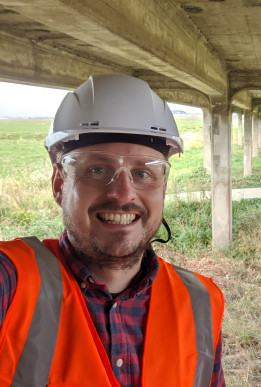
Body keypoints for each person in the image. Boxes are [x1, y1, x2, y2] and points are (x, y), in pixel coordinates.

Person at [0, 74, 225, 386]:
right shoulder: (13, 281)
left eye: (143, 172)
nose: (123, 194)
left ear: (163, 188)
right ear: (59, 184)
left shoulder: (201, 302)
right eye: (97, 169)